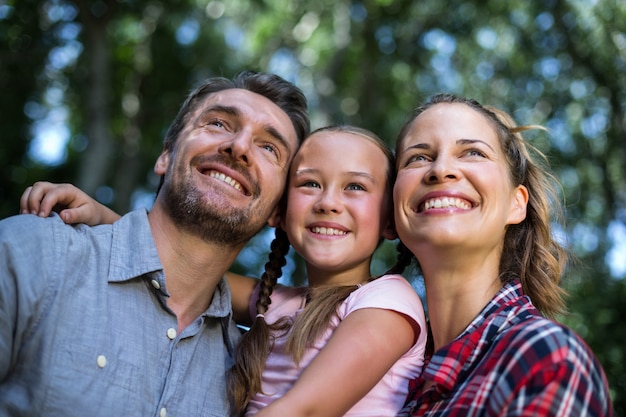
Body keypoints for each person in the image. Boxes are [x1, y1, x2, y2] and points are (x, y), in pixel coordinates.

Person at [19, 125, 428, 417]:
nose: (328, 202)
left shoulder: (388, 300)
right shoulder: (278, 303)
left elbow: (307, 409)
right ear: (279, 213)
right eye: (309, 185)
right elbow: (181, 269)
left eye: (354, 187)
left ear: (389, 221)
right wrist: (105, 218)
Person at [0, 70, 310, 417]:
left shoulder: (249, 377)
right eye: (219, 124)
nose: (238, 147)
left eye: (269, 147)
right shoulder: (34, 253)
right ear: (166, 154)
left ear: (278, 210)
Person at [388, 93, 614, 416]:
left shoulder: (546, 360)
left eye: (472, 153)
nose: (440, 170)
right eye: (418, 158)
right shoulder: (390, 382)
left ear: (515, 203)